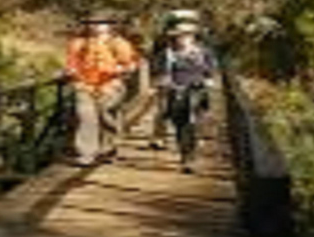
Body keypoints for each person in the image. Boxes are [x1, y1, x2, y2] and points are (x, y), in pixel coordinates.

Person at [65, 12, 140, 166]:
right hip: (84, 85)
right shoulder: (79, 43)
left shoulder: (119, 43)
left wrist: (119, 72)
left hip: (111, 85)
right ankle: (86, 153)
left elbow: (131, 64)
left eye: (101, 23)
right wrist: (73, 75)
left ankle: (109, 148)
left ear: (110, 26)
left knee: (105, 114)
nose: (97, 26)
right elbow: (71, 63)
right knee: (86, 116)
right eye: (93, 23)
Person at [158, 22, 218, 173]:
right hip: (177, 91)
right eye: (179, 36)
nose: (183, 39)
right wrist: (165, 81)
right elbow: (161, 71)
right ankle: (185, 156)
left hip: (197, 91)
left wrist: (209, 79)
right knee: (180, 125)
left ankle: (192, 156)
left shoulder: (203, 52)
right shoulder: (168, 53)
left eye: (186, 36)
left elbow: (211, 69)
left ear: (193, 37)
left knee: (194, 123)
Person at [149, 9, 203, 150]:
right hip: (166, 77)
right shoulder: (163, 40)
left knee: (192, 108)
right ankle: (159, 136)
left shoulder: (198, 37)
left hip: (189, 80)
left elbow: (203, 59)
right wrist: (157, 76)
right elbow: (155, 58)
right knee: (163, 107)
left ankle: (193, 136)